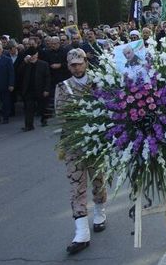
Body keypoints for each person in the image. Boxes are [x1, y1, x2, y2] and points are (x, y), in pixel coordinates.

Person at [55, 49, 107, 255]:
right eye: (73, 64)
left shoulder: (99, 83)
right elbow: (61, 112)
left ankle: (100, 211)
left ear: (86, 62)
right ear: (68, 66)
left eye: (79, 63)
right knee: (77, 185)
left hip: (95, 141)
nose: (76, 67)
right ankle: (81, 232)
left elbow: (107, 107)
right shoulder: (62, 87)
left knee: (98, 179)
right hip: (73, 143)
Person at [19, 49, 51, 131]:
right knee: (29, 108)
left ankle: (44, 120)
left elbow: (47, 77)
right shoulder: (26, 64)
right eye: (31, 55)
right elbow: (19, 73)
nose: (32, 57)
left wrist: (46, 89)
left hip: (40, 89)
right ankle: (29, 125)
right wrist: (24, 62)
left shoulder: (43, 64)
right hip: (29, 90)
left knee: (43, 107)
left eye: (34, 55)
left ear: (37, 55)